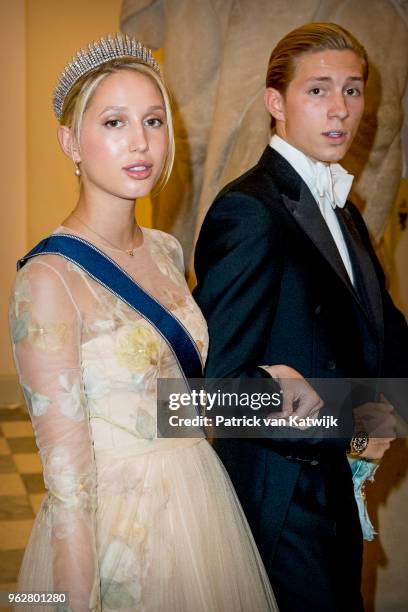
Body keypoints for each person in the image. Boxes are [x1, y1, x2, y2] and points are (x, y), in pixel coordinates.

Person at [9, 34, 279, 612]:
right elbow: (68, 485)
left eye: (154, 120)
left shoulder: (165, 250)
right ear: (70, 142)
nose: (140, 142)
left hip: (201, 504)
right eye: (114, 122)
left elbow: (170, 403)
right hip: (117, 530)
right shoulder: (49, 279)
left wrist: (281, 385)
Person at [194, 22, 408, 612]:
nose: (340, 109)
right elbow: (211, 396)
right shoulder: (250, 211)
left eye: (353, 89)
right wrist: (356, 419)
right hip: (281, 504)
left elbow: (387, 337)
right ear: (275, 103)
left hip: (333, 493)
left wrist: (379, 412)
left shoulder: (347, 211)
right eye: (317, 90)